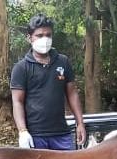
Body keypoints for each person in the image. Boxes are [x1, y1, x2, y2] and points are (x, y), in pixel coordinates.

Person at [9, 14, 86, 150]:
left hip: (61, 134)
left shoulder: (63, 62)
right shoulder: (21, 68)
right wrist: (22, 131)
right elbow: (17, 101)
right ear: (29, 38)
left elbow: (72, 93)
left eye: (48, 35)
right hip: (35, 136)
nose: (44, 39)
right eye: (39, 35)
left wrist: (80, 123)